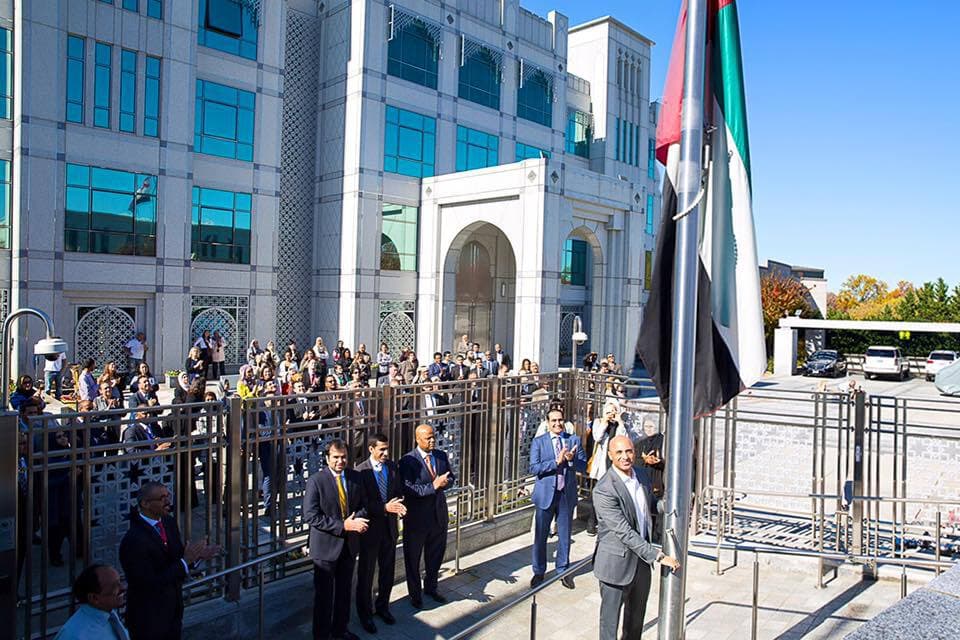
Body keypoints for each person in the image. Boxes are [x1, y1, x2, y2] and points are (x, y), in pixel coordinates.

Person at [593, 436, 681, 640]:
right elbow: (624, 531)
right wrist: (658, 556)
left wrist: (668, 506)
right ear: (610, 456)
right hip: (615, 566)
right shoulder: (605, 489)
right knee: (610, 626)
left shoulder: (641, 474)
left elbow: (648, 505)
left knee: (635, 623)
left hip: (641, 564)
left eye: (629, 451)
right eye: (619, 453)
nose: (625, 457)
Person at [119, 481, 219, 640]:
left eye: (168, 496)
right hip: (149, 618)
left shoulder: (168, 522)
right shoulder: (134, 541)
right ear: (145, 503)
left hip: (173, 611)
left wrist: (197, 557)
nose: (168, 501)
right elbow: (149, 584)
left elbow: (177, 559)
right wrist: (185, 561)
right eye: (161, 498)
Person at [303, 439, 369, 640]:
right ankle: (321, 635)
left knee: (344, 592)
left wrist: (357, 520)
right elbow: (311, 515)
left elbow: (363, 505)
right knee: (324, 597)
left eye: (344, 457)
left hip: (348, 546)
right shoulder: (316, 481)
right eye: (336, 458)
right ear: (327, 458)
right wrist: (343, 526)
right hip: (325, 549)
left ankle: (340, 630)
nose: (340, 461)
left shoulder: (355, 478)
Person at [355, 433, 407, 632]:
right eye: (381, 449)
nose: (385, 453)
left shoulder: (392, 468)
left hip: (389, 529)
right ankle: (365, 614)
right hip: (370, 531)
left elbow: (398, 492)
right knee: (366, 575)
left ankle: (383, 606)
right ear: (371, 449)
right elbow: (362, 504)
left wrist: (399, 506)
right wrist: (384, 508)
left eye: (387, 449)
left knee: (387, 571)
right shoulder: (361, 472)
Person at [529, 408, 586, 589]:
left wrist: (570, 460)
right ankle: (538, 571)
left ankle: (563, 570)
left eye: (560, 420)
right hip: (546, 494)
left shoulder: (573, 440)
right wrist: (556, 462)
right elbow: (534, 468)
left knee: (564, 535)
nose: (557, 424)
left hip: (565, 495)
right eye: (553, 421)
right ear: (547, 422)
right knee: (541, 536)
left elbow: (584, 465)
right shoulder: (539, 442)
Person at [399, 424, 454, 608]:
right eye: (427, 438)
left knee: (435, 555)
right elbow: (408, 488)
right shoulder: (408, 461)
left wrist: (445, 483)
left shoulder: (440, 456)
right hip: (417, 519)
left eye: (433, 437)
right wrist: (433, 486)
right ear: (417, 439)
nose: (432, 441)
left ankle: (431, 586)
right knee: (413, 558)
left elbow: (451, 477)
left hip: (438, 515)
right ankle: (415, 595)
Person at [54, 563, 129, 640]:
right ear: (94, 598)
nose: (123, 588)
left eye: (120, 581)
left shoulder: (108, 614)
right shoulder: (77, 635)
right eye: (114, 586)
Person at [586, 400, 627, 535]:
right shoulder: (599, 422)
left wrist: (619, 421)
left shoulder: (620, 425)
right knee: (597, 493)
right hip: (601, 464)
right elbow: (597, 437)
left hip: (614, 464)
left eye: (613, 411)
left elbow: (623, 438)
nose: (611, 414)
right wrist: (605, 421)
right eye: (608, 411)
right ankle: (591, 522)